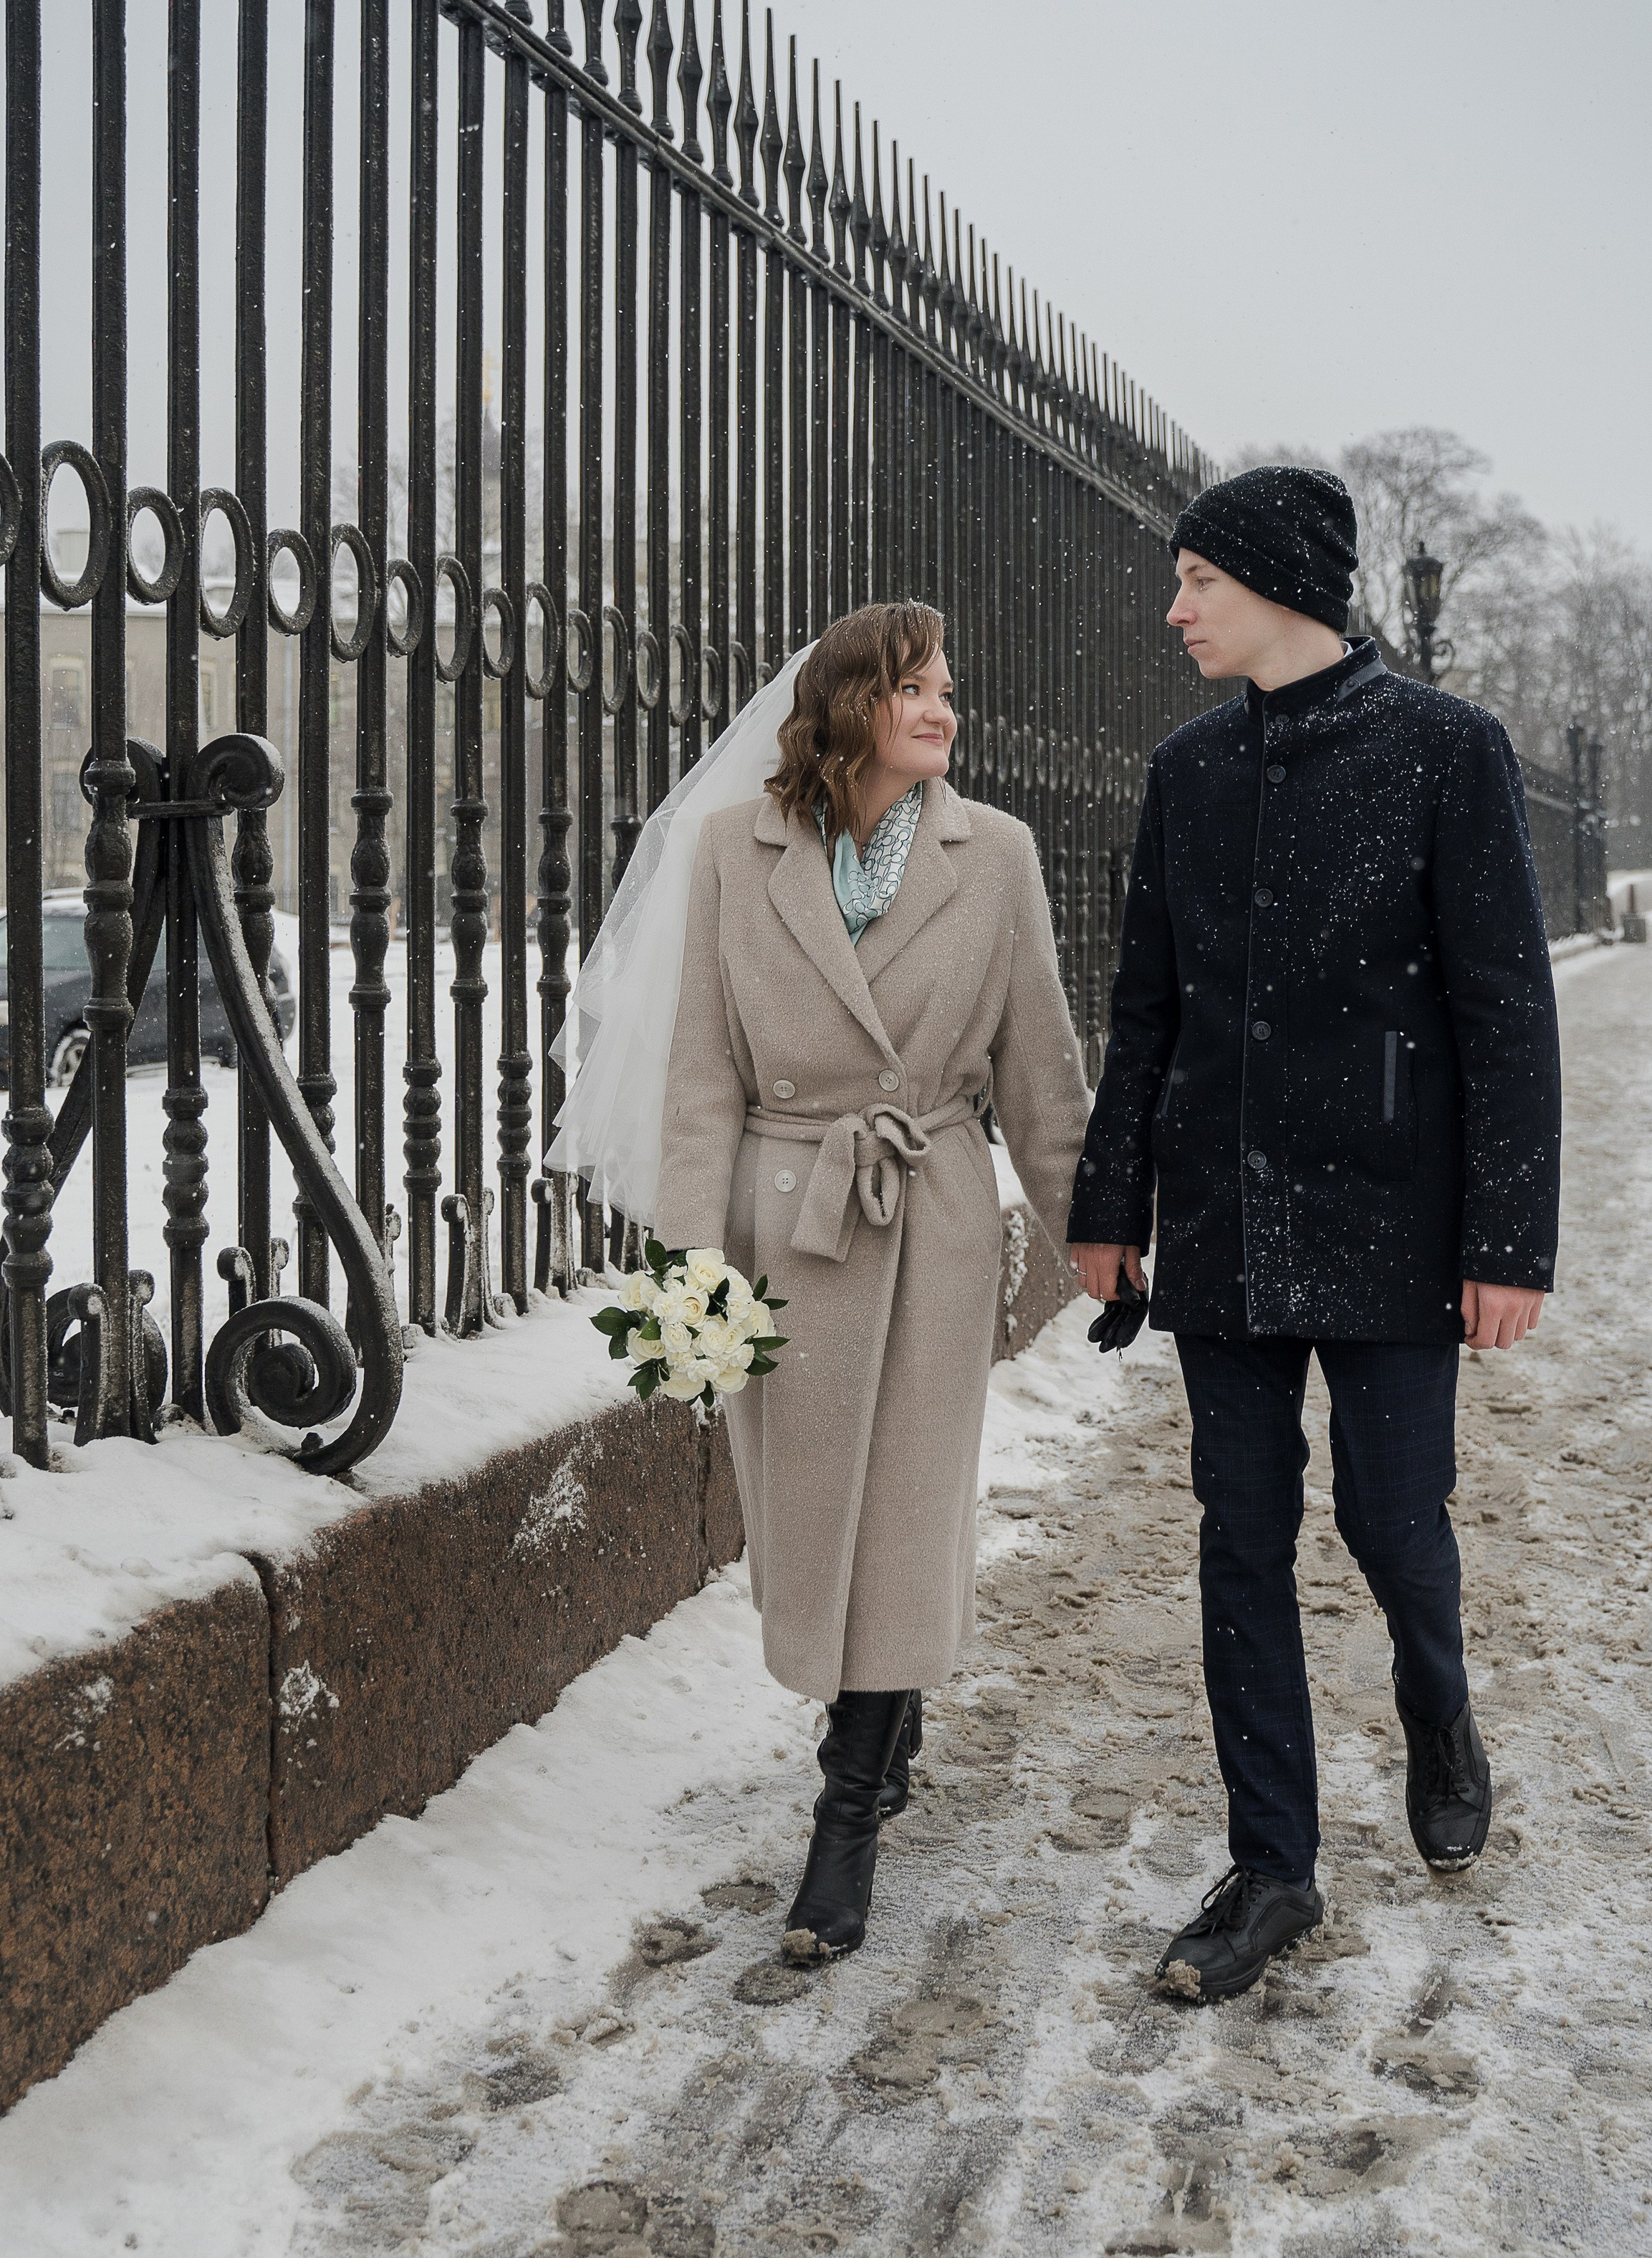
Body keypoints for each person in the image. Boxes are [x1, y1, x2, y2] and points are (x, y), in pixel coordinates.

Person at [1067, 465, 1561, 2004]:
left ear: (1280, 582)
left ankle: (1437, 1707)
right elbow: (1139, 1008)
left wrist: (1506, 1242)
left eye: (1196, 580)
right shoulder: (1186, 771)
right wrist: (1106, 1206)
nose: (1172, 608)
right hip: (1219, 1228)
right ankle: (1272, 1866)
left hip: (1396, 1228)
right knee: (1239, 1539)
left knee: (1390, 1521)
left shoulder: (1445, 751)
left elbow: (1504, 1014)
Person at [556, 600, 1090, 1963]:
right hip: (780, 1222)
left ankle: (845, 1814)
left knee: (905, 1515)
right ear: (848, 704)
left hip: (930, 1223)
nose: (943, 708)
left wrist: (1097, 1232)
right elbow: (701, 1073)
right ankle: (883, 1714)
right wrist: (686, 1269)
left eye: (948, 686)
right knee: (804, 1523)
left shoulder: (1001, 855)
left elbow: (1040, 1066)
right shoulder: (737, 850)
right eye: (915, 685)